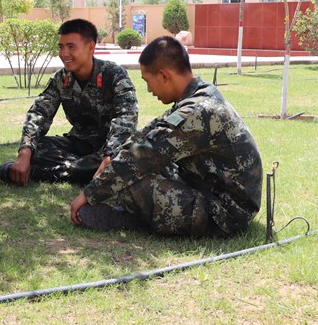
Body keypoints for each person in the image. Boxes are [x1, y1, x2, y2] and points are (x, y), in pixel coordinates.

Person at [70, 36, 262, 237]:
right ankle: (139, 216)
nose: (149, 90)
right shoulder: (197, 95)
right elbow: (150, 133)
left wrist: (88, 193)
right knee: (126, 168)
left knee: (129, 180)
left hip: (226, 214)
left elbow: (144, 153)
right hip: (210, 189)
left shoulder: (197, 111)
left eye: (148, 81)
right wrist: (113, 156)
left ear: (163, 75)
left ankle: (132, 219)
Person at [1, 18, 139, 186]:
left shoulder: (114, 74)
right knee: (37, 148)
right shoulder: (61, 78)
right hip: (78, 144)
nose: (64, 54)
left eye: (71, 47)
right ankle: (88, 172)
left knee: (125, 157)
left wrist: (109, 155)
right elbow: (39, 113)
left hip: (109, 147)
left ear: (90, 47)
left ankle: (40, 172)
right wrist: (25, 152)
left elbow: (126, 118)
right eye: (61, 47)